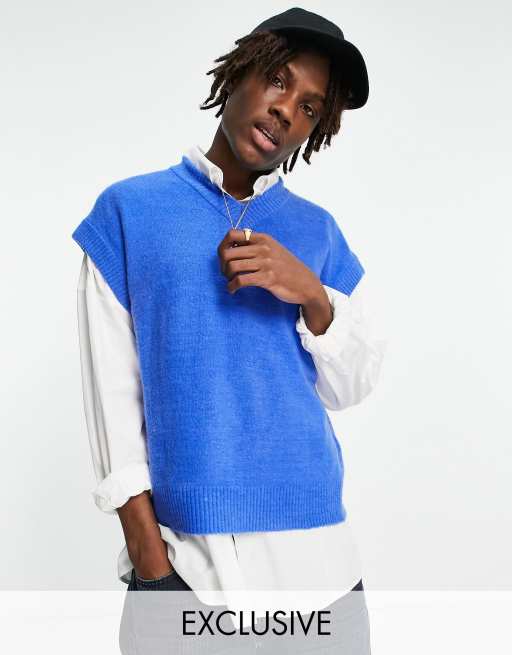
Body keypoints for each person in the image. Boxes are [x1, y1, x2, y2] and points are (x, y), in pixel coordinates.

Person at [72, 7, 387, 653]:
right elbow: (111, 403)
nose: (285, 111)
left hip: (321, 567)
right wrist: (152, 566)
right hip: (190, 572)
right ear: (240, 70)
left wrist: (311, 293)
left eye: (309, 108)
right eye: (278, 80)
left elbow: (350, 386)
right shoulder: (130, 212)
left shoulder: (318, 232)